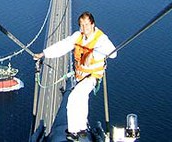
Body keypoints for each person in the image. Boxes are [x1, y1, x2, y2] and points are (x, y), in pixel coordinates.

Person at [33, 11, 117, 141]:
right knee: (81, 99)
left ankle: (73, 132)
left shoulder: (101, 38)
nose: (84, 28)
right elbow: (62, 46)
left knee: (73, 98)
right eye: (82, 25)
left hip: (91, 76)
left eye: (87, 25)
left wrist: (93, 54)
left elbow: (113, 53)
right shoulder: (78, 36)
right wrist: (43, 54)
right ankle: (82, 129)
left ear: (93, 24)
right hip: (79, 77)